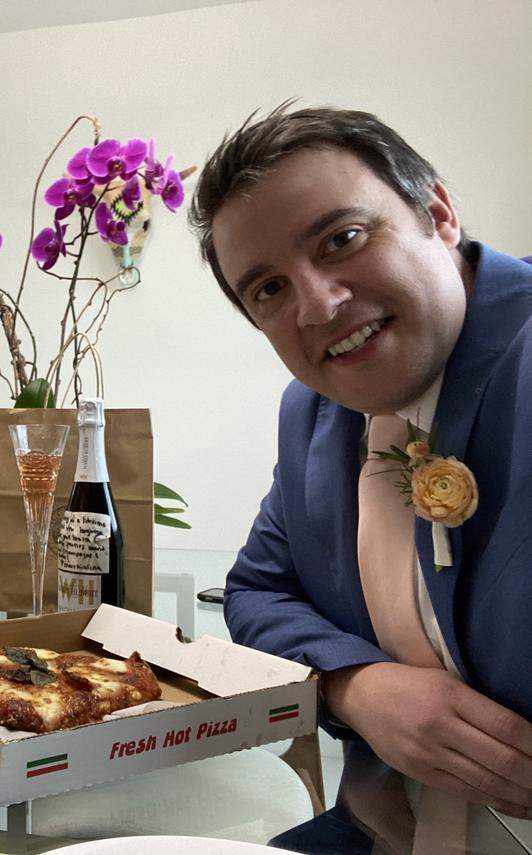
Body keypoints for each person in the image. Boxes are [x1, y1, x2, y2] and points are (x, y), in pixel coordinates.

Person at [189, 104, 532, 819]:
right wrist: (357, 684)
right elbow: (256, 591)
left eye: (342, 238)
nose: (318, 305)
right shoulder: (310, 414)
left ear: (438, 213)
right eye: (269, 289)